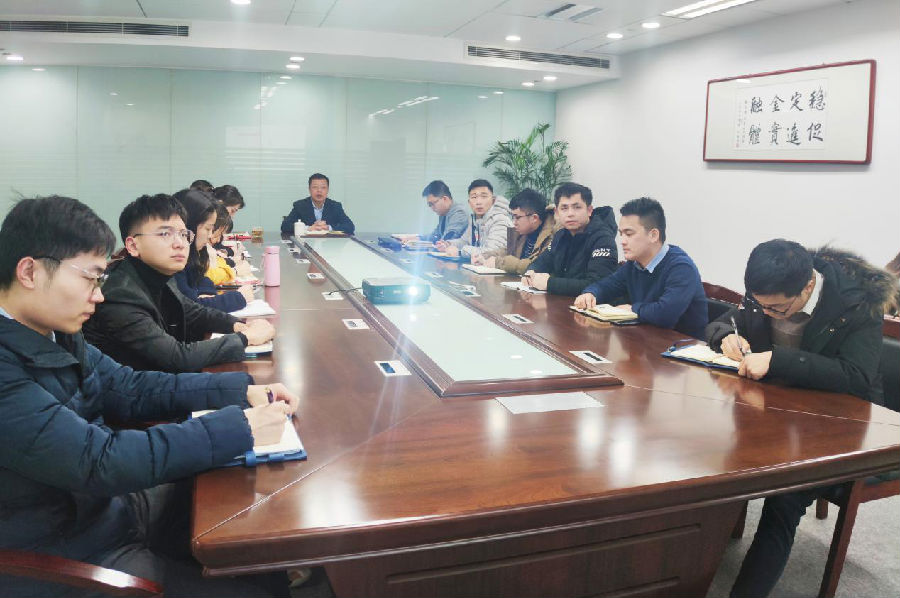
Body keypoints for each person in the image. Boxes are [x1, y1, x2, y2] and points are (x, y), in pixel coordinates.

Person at [0, 196, 297, 597]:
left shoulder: (57, 332)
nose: (98, 295)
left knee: (254, 536)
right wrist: (238, 427)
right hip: (75, 552)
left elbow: (131, 387)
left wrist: (240, 391)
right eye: (90, 278)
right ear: (29, 272)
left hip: (111, 507)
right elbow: (98, 460)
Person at [705, 240, 896, 598]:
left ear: (808, 286)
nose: (768, 314)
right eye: (760, 305)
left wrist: (778, 360)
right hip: (777, 411)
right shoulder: (768, 291)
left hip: (837, 425)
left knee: (783, 501)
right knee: (713, 463)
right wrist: (726, 335)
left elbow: (856, 377)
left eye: (778, 308)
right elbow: (726, 321)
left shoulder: (857, 303)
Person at [84, 193, 274, 372]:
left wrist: (238, 325)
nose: (180, 243)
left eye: (183, 234)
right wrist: (245, 338)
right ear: (133, 246)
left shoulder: (158, 273)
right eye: (165, 234)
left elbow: (194, 312)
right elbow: (176, 357)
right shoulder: (120, 296)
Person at [574, 196, 707, 337]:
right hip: (645, 340)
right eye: (621, 234)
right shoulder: (634, 264)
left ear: (653, 235)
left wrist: (633, 309)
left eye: (629, 234)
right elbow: (607, 285)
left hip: (681, 346)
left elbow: (666, 314)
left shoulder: (681, 268)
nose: (622, 241)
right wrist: (591, 293)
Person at [523, 182, 617, 296]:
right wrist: (530, 272)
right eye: (564, 208)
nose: (570, 214)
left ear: (589, 210)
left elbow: (598, 284)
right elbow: (541, 262)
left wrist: (549, 283)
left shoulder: (603, 238)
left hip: (590, 305)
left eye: (577, 207)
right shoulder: (561, 235)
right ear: (557, 213)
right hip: (561, 302)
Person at [172, 189, 252, 313]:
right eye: (207, 228)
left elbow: (201, 278)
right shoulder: (173, 259)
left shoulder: (191, 255)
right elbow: (190, 308)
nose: (210, 236)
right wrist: (239, 298)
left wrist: (207, 294)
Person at [472, 188, 556, 275]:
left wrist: (499, 262)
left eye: (517, 217)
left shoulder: (552, 235)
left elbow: (537, 266)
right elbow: (508, 250)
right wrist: (484, 256)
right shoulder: (522, 232)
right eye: (513, 217)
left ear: (534, 218)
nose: (514, 222)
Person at [436, 179, 510, 259]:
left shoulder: (500, 220)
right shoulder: (475, 219)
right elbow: (464, 241)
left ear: (493, 200)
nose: (478, 202)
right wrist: (448, 244)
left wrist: (460, 252)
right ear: (469, 202)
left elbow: (491, 252)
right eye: (474, 197)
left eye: (484, 196)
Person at [280, 173, 355, 234]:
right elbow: (285, 226)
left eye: (323, 187)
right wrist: (308, 228)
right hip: (306, 244)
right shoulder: (300, 205)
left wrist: (328, 228)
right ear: (309, 189)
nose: (319, 190)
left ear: (328, 190)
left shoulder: (335, 206)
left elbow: (350, 226)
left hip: (329, 244)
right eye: (315, 187)